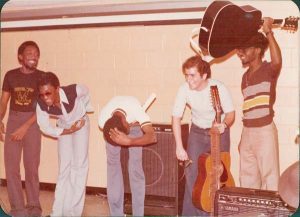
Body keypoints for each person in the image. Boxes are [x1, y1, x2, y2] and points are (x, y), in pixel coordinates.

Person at [172, 55, 235, 216]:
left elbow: (231, 114)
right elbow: (176, 118)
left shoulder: (218, 87)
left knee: (219, 173)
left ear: (204, 75)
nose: (188, 79)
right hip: (197, 133)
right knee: (193, 176)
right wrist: (179, 147)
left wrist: (224, 125)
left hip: (219, 132)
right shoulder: (184, 89)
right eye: (186, 75)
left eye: (192, 75)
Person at [36, 72, 93, 216]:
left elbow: (86, 92)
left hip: (80, 124)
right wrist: (66, 131)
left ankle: (73, 213)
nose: (45, 98)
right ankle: (57, 212)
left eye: (48, 93)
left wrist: (83, 111)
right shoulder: (41, 103)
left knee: (79, 167)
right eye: (42, 94)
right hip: (64, 126)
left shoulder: (75, 90)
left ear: (57, 89)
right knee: (64, 169)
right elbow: (44, 127)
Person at [236, 17, 282, 191]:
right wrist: (243, 138)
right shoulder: (244, 77)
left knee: (270, 180)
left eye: (244, 49)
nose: (239, 52)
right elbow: (248, 109)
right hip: (248, 131)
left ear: (257, 50)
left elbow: (278, 61)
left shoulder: (268, 70)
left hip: (264, 130)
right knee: (247, 181)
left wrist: (268, 32)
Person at [0, 41, 44, 217]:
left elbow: (44, 107)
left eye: (36, 54)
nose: (34, 56)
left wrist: (25, 127)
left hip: (33, 120)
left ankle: (34, 207)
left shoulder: (42, 77)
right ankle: (18, 208)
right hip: (14, 119)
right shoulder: (10, 75)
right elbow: (4, 101)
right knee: (11, 167)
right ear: (20, 57)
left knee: (31, 167)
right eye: (30, 53)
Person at [98, 96, 157, 216]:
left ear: (125, 122)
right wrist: (118, 139)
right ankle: (116, 214)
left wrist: (129, 141)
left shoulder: (135, 108)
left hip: (133, 127)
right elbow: (108, 130)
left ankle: (138, 214)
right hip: (112, 131)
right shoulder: (103, 119)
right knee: (112, 168)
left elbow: (152, 137)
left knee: (135, 169)